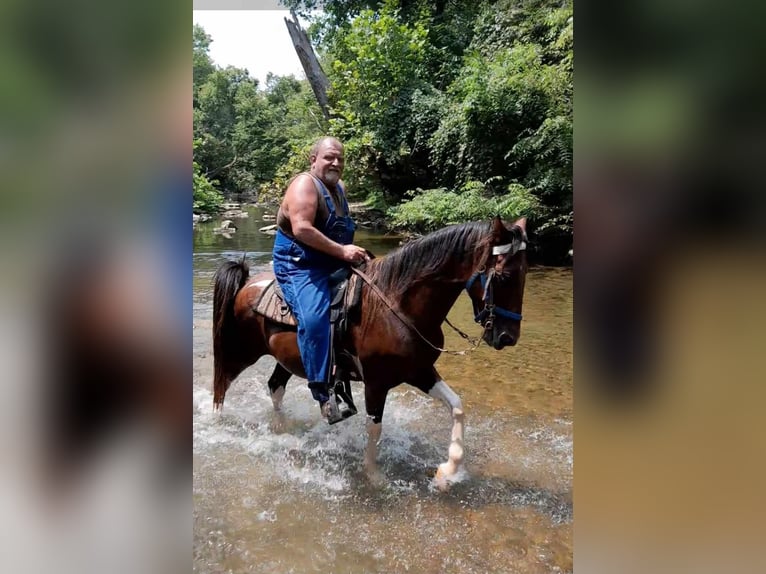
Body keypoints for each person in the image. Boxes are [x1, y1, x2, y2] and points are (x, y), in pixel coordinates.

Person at [272, 136, 369, 423]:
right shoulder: (304, 185)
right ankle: (323, 393)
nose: (335, 163)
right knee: (315, 320)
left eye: (340, 158)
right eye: (329, 157)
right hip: (298, 265)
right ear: (313, 159)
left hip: (331, 261)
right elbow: (302, 229)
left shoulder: (339, 188)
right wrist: (342, 251)